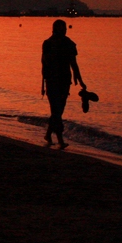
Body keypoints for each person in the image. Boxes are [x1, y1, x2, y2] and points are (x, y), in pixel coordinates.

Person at [41, 19, 86, 149]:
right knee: (57, 110)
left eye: (64, 28)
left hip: (64, 81)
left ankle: (49, 134)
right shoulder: (48, 43)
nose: (64, 30)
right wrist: (43, 83)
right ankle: (60, 139)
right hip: (52, 80)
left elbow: (73, 63)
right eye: (62, 28)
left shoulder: (68, 44)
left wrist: (80, 79)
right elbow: (44, 63)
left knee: (58, 110)